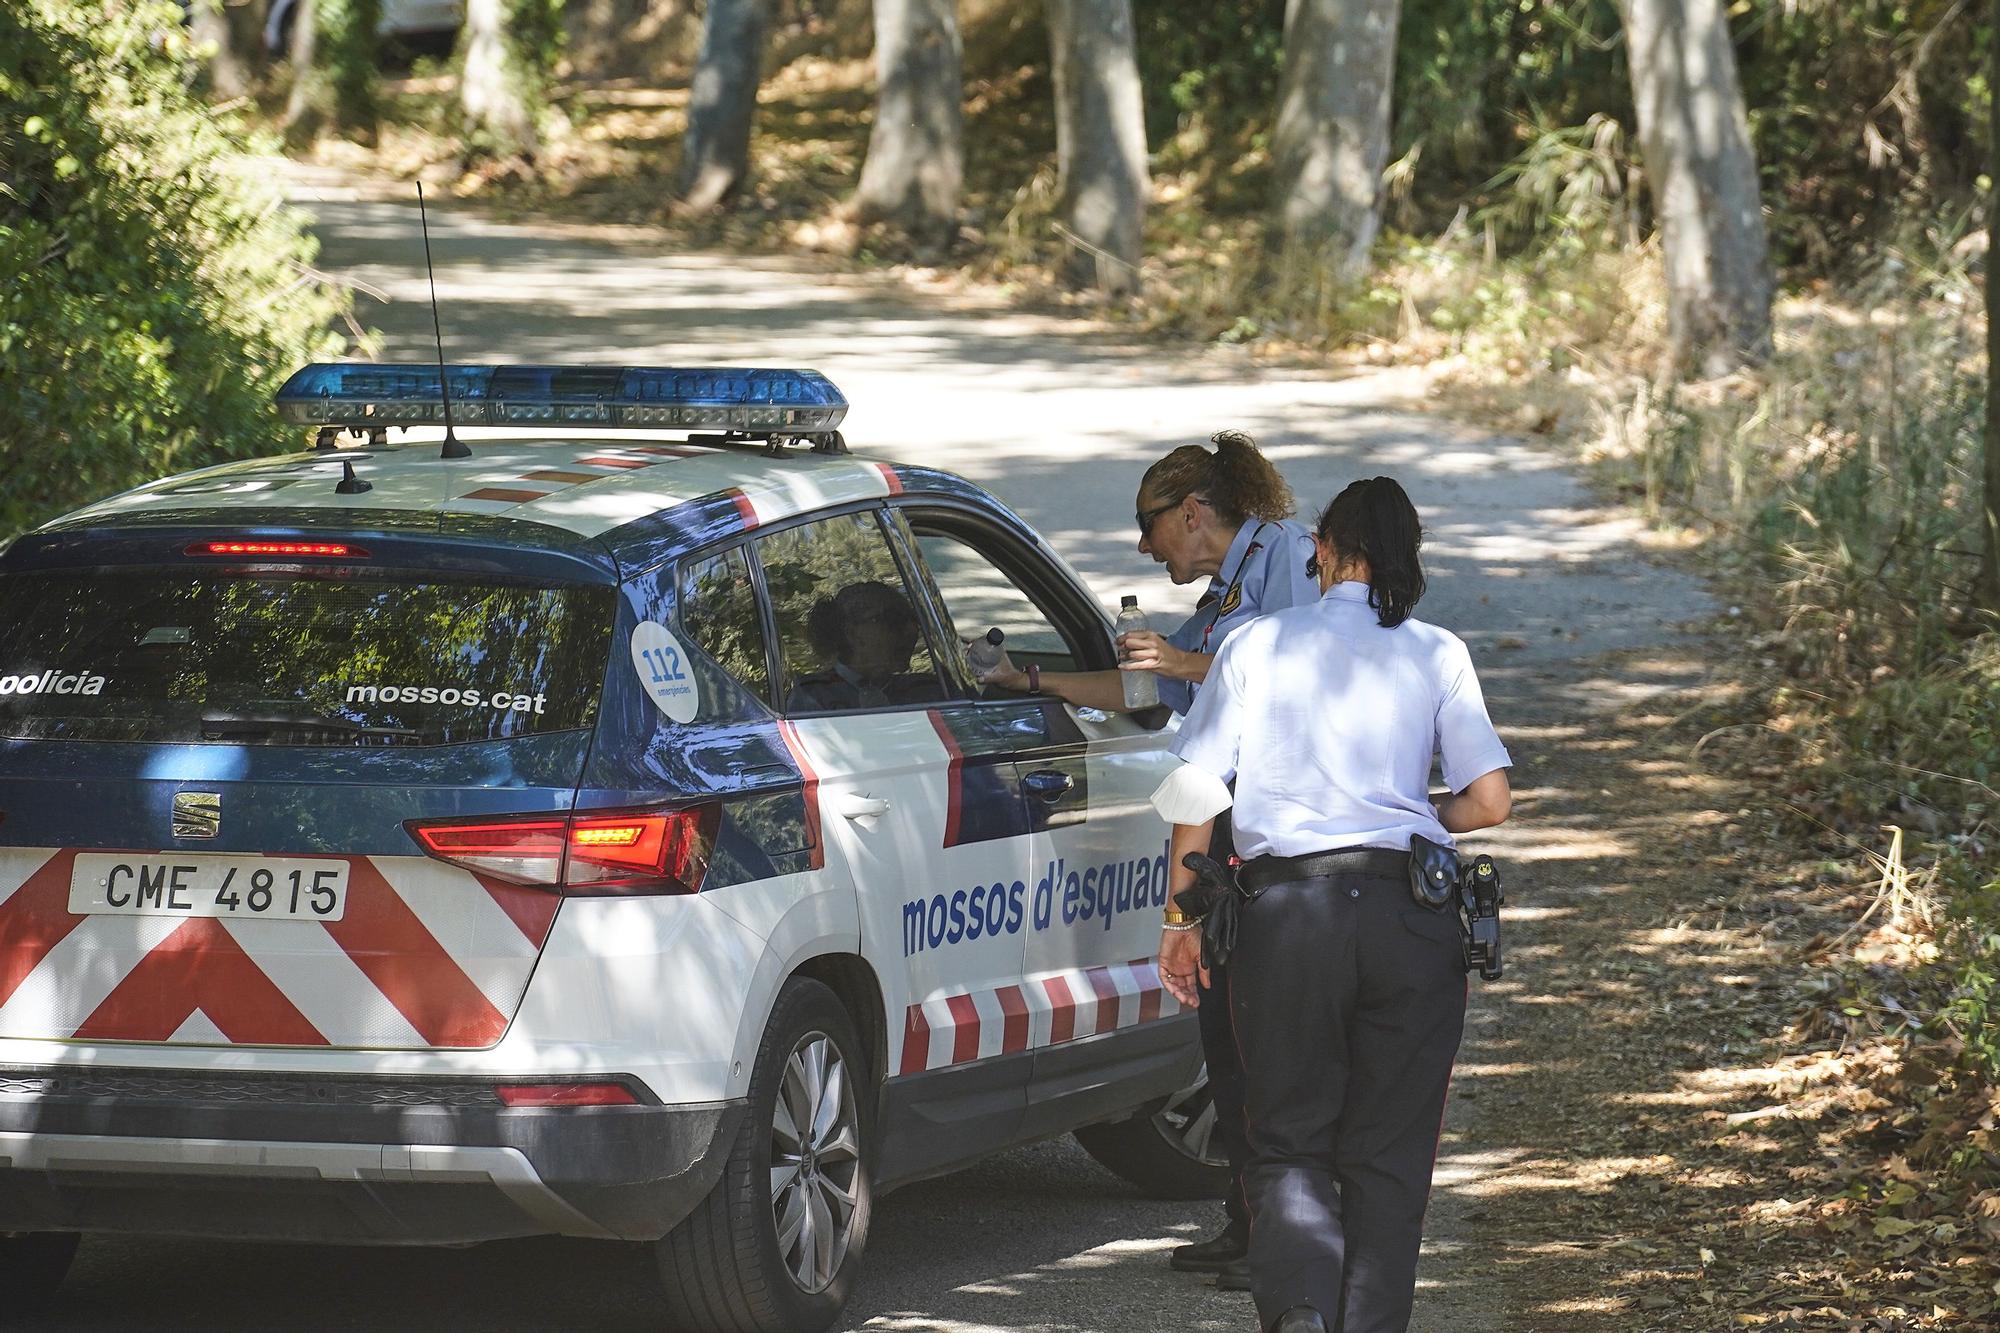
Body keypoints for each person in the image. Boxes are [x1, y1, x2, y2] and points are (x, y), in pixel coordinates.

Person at [1151, 476, 1514, 1333]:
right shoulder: (1437, 651)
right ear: (1400, 557)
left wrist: (1181, 920)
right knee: (1389, 1154)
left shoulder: (1254, 644)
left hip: (1285, 918)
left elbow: (1198, 790)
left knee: (1284, 1136)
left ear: (1321, 547)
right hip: (1407, 919)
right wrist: (1423, 815)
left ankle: (1303, 1311)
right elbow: (1489, 800)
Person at [976, 429, 1318, 1284]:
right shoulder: (1224, 590)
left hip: (1281, 832)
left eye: (1147, 522)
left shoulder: (1284, 554)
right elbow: (1150, 694)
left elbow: (1298, 675)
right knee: (1227, 1033)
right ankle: (1247, 1222)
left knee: (1269, 1039)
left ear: (1192, 512)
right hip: (1228, 834)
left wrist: (1178, 658)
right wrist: (1029, 680)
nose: (1141, 544)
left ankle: (1287, 1239)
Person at [786, 580, 942, 712]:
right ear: (852, 633)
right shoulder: (810, 695)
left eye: (914, 619)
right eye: (894, 619)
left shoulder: (929, 690)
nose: (912, 630)